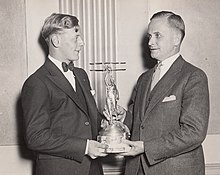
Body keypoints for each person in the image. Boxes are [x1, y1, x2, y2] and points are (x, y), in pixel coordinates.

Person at [120, 11, 210, 175]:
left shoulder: (193, 76)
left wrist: (146, 147)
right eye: (149, 36)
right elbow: (138, 122)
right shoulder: (144, 79)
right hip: (137, 169)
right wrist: (121, 117)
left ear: (176, 39)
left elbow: (194, 132)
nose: (150, 42)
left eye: (157, 35)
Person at [21, 13, 108, 175]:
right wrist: (85, 147)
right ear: (56, 41)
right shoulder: (37, 82)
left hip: (93, 169)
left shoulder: (81, 75)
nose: (82, 43)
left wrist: (108, 122)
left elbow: (87, 120)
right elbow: (35, 137)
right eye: (76, 38)